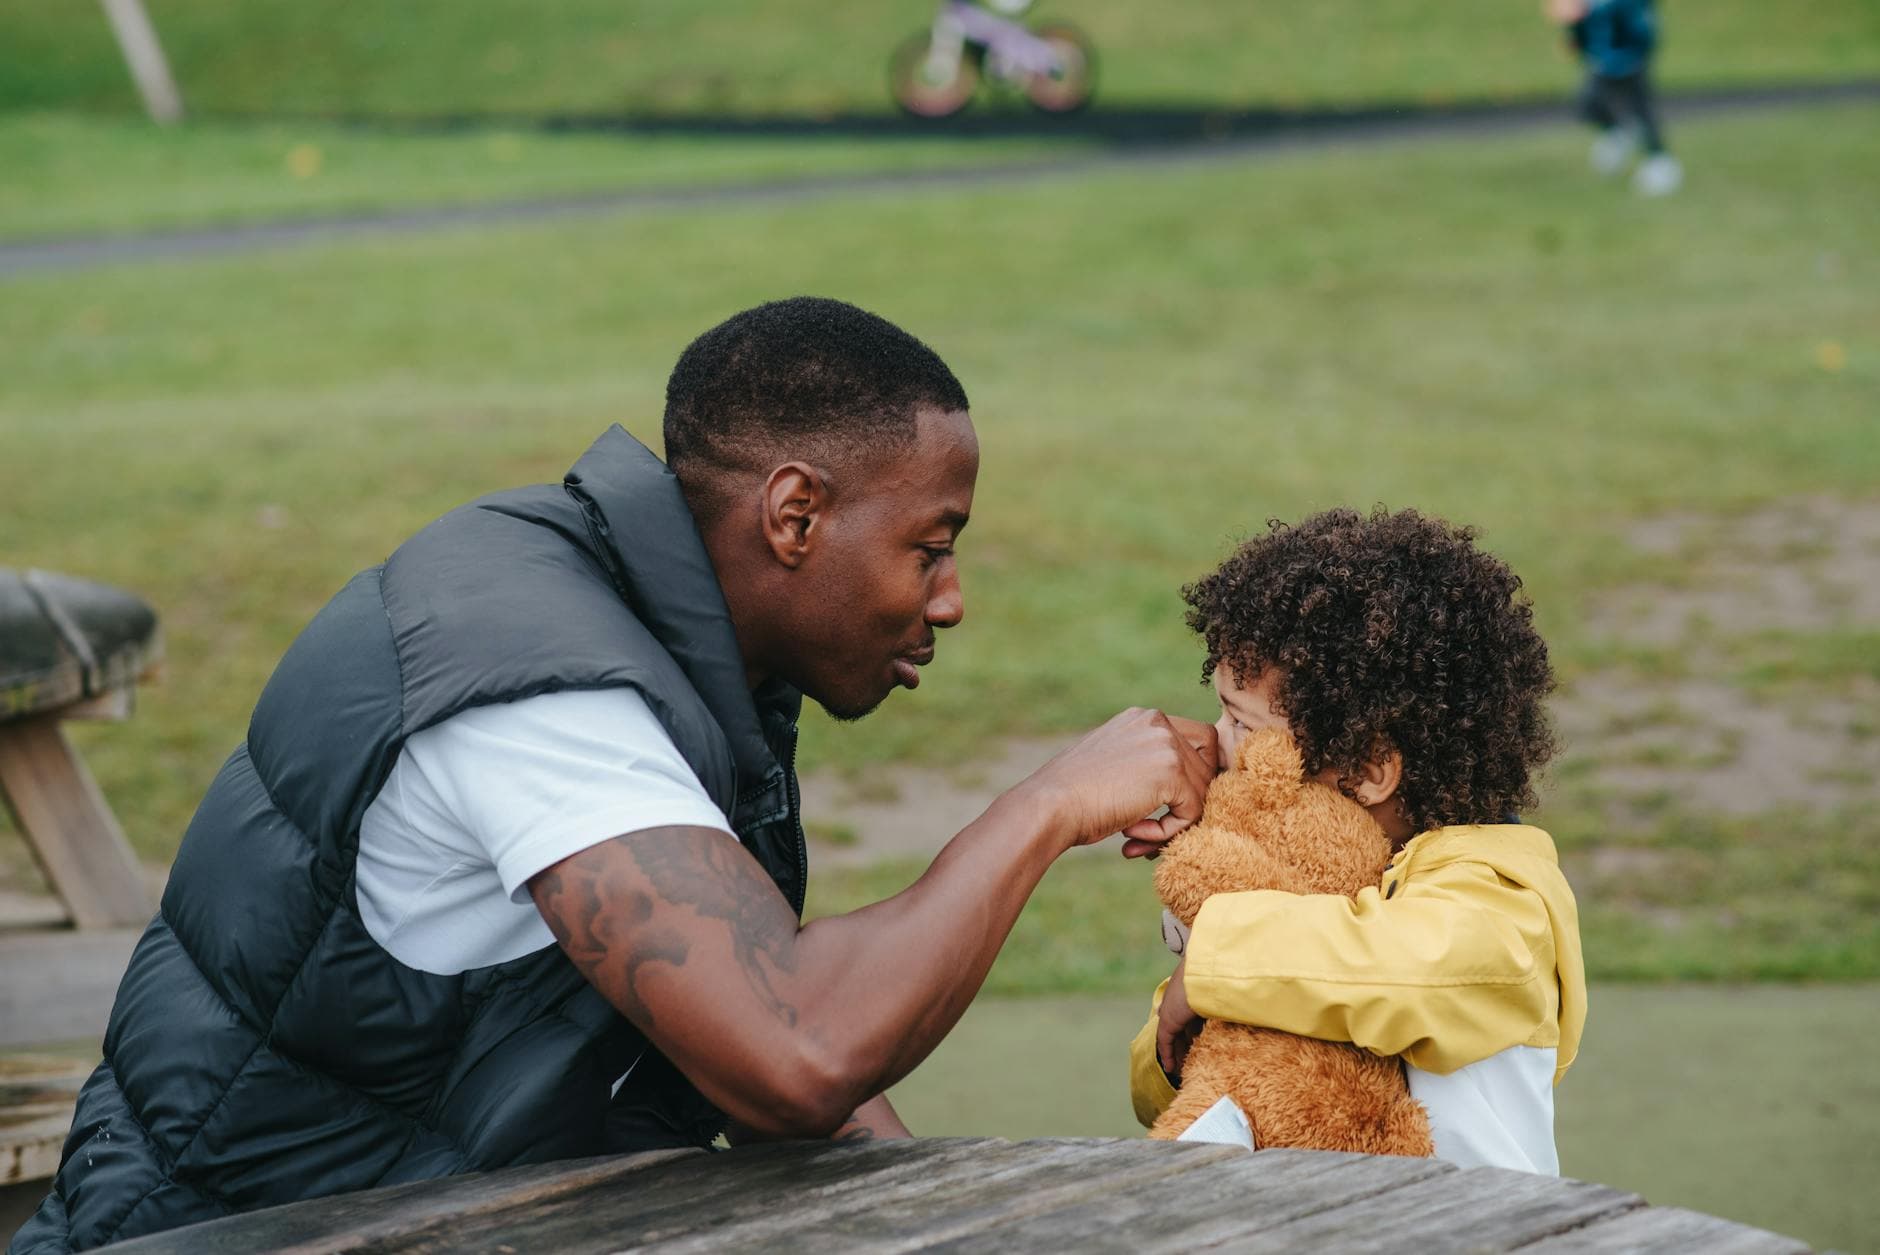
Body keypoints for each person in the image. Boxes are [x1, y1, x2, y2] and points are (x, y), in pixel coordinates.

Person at [13, 297, 1217, 1253]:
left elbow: (736, 1040)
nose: (949, 599)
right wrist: (1046, 803)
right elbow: (791, 1051)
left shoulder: (669, 644)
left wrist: (929, 1212)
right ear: (793, 515)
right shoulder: (547, 690)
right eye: (930, 548)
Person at [1126, 508, 1585, 1174]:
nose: (1214, 743)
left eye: (1241, 724)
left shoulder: (1503, 897)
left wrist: (1215, 960)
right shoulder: (1290, 903)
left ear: (1367, 771)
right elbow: (1159, 1080)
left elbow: (1412, 971)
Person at [1549, 0, 1682, 196]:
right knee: (1589, 105)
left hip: (1629, 61)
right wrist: (1575, 29)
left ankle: (1660, 163)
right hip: (1602, 63)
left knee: (1639, 111)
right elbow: (1583, 27)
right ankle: (1618, 135)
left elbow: (1637, 26)